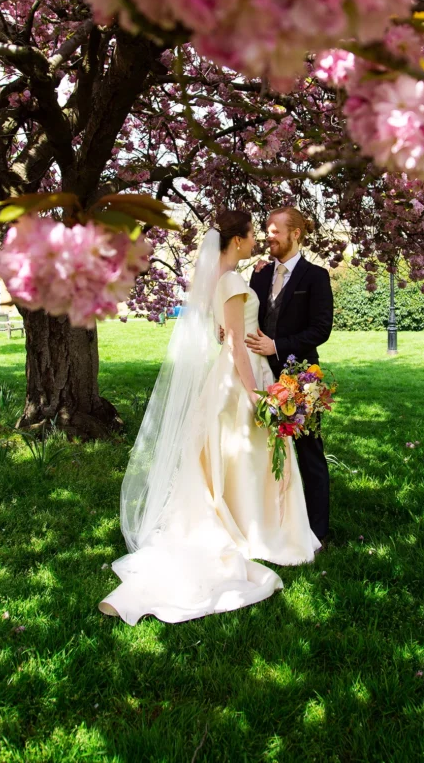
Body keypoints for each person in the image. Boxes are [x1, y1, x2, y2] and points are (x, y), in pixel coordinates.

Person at [99, 210, 319, 625]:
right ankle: (260, 530)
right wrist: (255, 392)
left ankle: (244, 517)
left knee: (236, 455)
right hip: (242, 375)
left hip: (228, 374)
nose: (257, 242)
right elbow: (237, 344)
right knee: (253, 452)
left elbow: (226, 332)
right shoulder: (234, 280)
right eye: (253, 235)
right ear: (237, 240)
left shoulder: (220, 280)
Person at [245, 208, 333, 543]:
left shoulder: (316, 277)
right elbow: (252, 317)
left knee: (309, 452)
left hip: (300, 377)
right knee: (265, 451)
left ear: (295, 233)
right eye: (267, 231)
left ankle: (317, 532)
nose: (268, 236)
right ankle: (273, 521)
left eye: (274, 231)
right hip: (261, 375)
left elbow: (320, 329)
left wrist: (277, 346)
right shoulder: (260, 275)